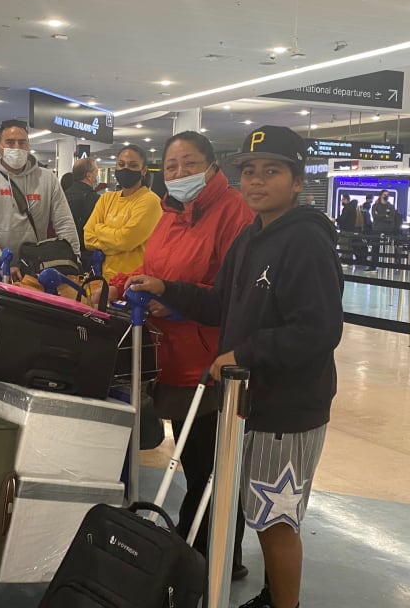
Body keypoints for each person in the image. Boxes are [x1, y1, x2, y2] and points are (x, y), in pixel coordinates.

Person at [129, 126, 343, 608]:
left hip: (287, 407)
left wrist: (242, 355)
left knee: (275, 517)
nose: (256, 181)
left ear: (296, 180)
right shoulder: (251, 236)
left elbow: (318, 329)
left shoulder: (305, 241)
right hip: (249, 401)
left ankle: (282, 602)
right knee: (259, 506)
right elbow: (223, 302)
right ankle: (271, 596)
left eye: (271, 171)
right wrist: (170, 291)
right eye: (249, 171)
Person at [109, 131, 253, 578]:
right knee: (195, 464)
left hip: (208, 362)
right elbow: (156, 269)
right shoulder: (170, 213)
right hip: (168, 354)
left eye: (189, 164)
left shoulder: (234, 213)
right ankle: (196, 553)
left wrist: (174, 299)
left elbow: (232, 293)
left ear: (211, 166)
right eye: (170, 167)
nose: (179, 174)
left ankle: (214, 561)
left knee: (209, 470)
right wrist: (120, 282)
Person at [0, 119, 78, 279]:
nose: (16, 148)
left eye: (22, 142)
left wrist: (74, 259)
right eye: (10, 142)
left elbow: (64, 222)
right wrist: (1, 263)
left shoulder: (47, 179)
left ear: (29, 145)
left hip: (32, 268)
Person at [83, 145, 162, 281]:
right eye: (121, 164)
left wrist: (99, 228)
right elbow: (88, 238)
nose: (126, 169)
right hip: (104, 280)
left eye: (133, 165)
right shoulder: (107, 199)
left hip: (134, 282)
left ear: (143, 171)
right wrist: (118, 244)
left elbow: (126, 240)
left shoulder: (150, 201)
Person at [64, 157, 100, 261]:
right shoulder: (92, 197)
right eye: (96, 171)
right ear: (88, 175)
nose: (97, 175)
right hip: (86, 250)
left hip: (66, 247)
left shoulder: (64, 194)